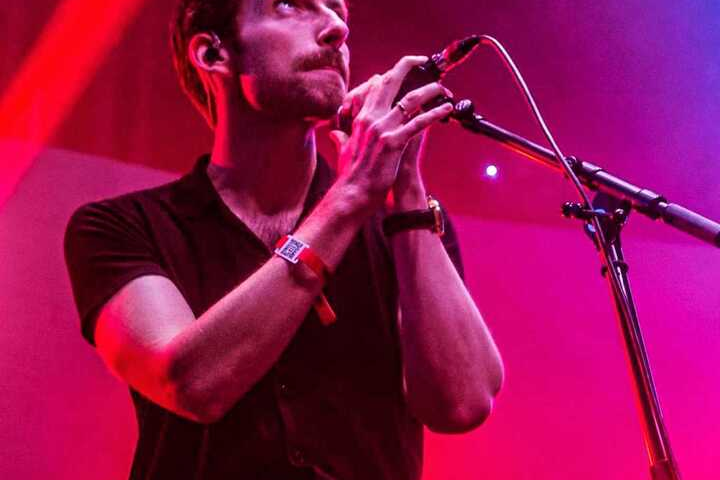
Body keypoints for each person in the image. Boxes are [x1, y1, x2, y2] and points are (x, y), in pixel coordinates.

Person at [64, 0, 504, 478]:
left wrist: (408, 190)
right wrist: (350, 196)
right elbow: (193, 384)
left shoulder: (402, 222)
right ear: (213, 54)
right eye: (290, 5)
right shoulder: (120, 227)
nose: (336, 27)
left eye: (338, 10)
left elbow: (461, 405)